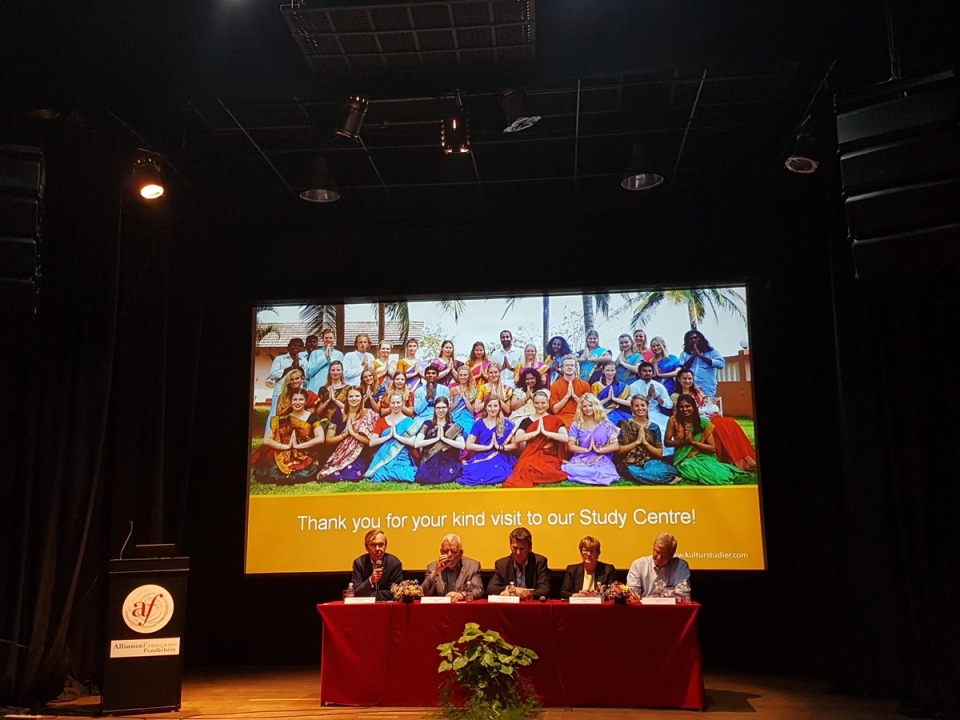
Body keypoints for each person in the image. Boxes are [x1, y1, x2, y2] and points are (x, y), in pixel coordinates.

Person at [665, 394, 753, 485]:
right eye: (681, 407)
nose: (684, 409)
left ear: (694, 407)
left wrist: (693, 442)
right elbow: (667, 442)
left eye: (688, 406)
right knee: (689, 469)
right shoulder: (673, 421)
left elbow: (712, 448)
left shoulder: (703, 422)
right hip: (683, 458)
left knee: (719, 473)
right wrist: (684, 442)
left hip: (703, 456)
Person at [253, 390, 326, 484]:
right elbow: (266, 440)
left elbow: (320, 438)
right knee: (271, 472)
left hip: (306, 452)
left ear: (305, 401)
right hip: (286, 453)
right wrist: (285, 447)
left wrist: (299, 446)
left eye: (301, 399)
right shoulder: (284, 419)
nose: (298, 402)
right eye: (295, 400)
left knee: (308, 472)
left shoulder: (313, 417)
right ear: (291, 401)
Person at [504, 390, 569, 488]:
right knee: (526, 469)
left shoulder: (555, 420)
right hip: (531, 454)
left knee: (550, 472)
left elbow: (565, 438)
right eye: (537, 403)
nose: (540, 406)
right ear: (533, 403)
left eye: (543, 403)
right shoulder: (526, 421)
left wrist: (546, 433)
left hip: (549, 455)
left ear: (548, 403)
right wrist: (535, 433)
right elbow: (518, 438)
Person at [318, 386, 379, 481]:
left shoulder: (369, 414)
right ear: (346, 398)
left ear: (362, 397)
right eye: (351, 396)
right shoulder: (339, 414)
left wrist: (354, 434)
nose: (354, 399)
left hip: (360, 454)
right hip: (340, 453)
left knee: (351, 473)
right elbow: (328, 440)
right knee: (332, 475)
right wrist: (344, 435)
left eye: (357, 396)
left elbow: (371, 442)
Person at [616, 396, 680, 484]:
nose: (640, 408)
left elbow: (659, 453)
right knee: (632, 471)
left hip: (649, 460)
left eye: (642, 405)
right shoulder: (624, 424)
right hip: (629, 462)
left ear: (648, 406)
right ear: (632, 408)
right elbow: (618, 451)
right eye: (636, 406)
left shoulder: (654, 427)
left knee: (663, 470)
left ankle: (647, 475)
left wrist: (645, 443)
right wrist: (637, 442)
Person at [561, 394, 621, 486]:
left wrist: (599, 450)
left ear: (595, 406)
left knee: (603, 471)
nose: (588, 408)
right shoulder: (576, 424)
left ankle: (591, 473)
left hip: (601, 457)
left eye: (590, 405)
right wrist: (586, 450)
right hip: (582, 457)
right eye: (584, 406)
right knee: (569, 468)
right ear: (581, 408)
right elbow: (570, 446)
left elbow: (616, 446)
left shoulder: (606, 424)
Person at [459, 396, 517, 486]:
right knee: (471, 472)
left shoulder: (507, 424)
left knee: (500, 472)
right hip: (482, 454)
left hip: (500, 455)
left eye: (495, 406)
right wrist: (487, 447)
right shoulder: (479, 423)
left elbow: (516, 445)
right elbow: (469, 445)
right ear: (485, 407)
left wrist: (500, 447)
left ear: (499, 407)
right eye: (490, 406)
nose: (493, 409)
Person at [365, 391, 419, 483]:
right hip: (384, 454)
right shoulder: (382, 421)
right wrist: (388, 437)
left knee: (406, 473)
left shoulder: (409, 421)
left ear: (402, 403)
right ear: (389, 404)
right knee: (379, 474)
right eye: (393, 403)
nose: (395, 405)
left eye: (398, 402)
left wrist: (396, 436)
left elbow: (413, 443)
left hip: (402, 454)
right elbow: (372, 442)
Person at [487, 527, 551, 599]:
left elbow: (545, 590)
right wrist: (511, 589)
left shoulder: (539, 562)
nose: (518, 552)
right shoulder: (502, 564)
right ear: (510, 546)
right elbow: (491, 589)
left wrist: (522, 592)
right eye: (515, 548)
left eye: (522, 549)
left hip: (531, 605)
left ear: (530, 547)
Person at [414, 396, 465, 484]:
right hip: (430, 458)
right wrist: (436, 439)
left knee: (447, 474)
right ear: (434, 409)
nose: (441, 410)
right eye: (438, 408)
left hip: (448, 459)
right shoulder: (427, 424)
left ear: (448, 408)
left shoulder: (454, 426)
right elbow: (417, 443)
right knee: (423, 476)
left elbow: (462, 445)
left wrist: (444, 439)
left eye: (443, 407)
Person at [699, 396, 757, 471]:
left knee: (729, 422)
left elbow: (713, 409)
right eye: (705, 401)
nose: (705, 402)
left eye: (707, 401)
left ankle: (738, 456)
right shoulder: (700, 405)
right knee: (717, 425)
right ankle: (726, 457)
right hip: (704, 420)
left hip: (711, 418)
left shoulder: (711, 406)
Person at [629, 362, 674, 454]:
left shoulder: (659, 386)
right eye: (644, 371)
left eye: (650, 371)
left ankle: (669, 455)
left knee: (666, 429)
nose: (647, 373)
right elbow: (634, 405)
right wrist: (649, 396)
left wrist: (657, 398)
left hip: (657, 414)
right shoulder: (633, 386)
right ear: (639, 373)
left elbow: (669, 404)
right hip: (640, 415)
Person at [626, 533, 691, 598]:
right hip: (643, 604)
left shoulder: (680, 566)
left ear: (672, 554)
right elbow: (632, 591)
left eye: (664, 555)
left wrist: (656, 599)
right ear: (653, 548)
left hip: (669, 605)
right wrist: (633, 595)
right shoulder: (638, 565)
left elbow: (682, 594)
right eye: (657, 552)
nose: (659, 557)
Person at [421, 533, 484, 601]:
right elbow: (423, 593)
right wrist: (435, 572)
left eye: (453, 551)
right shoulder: (432, 567)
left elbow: (479, 590)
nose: (449, 554)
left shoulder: (473, 566)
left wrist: (462, 595)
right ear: (441, 552)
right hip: (441, 607)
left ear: (461, 553)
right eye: (445, 551)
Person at [351, 529, 404, 602]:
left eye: (381, 545)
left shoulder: (394, 563)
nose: (377, 549)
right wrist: (370, 580)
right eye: (373, 545)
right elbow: (356, 592)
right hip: (365, 606)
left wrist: (371, 596)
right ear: (366, 547)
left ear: (386, 546)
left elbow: (395, 593)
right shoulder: (359, 563)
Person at [678, 330, 726, 397]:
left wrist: (701, 356)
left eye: (695, 338)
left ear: (701, 338)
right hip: (690, 391)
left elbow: (721, 364)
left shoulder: (712, 352)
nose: (694, 340)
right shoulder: (684, 354)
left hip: (707, 391)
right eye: (691, 339)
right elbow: (681, 369)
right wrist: (693, 356)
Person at [266, 337, 305, 418]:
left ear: (302, 348)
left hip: (297, 395)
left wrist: (299, 368)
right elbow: (272, 376)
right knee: (274, 415)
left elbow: (306, 377)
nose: (296, 348)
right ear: (288, 347)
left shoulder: (304, 361)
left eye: (299, 346)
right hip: (280, 393)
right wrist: (291, 368)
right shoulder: (279, 359)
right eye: (294, 345)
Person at [550, 354, 591, 429]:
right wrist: (567, 396)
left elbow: (589, 408)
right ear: (562, 367)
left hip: (581, 416)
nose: (569, 367)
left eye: (572, 365)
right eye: (567, 365)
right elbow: (555, 410)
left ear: (575, 368)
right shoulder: (555, 386)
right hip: (561, 418)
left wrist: (574, 396)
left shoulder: (585, 385)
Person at [592, 360, 632, 424]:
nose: (610, 373)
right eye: (607, 370)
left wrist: (614, 399)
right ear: (603, 371)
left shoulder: (623, 386)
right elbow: (594, 405)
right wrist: (607, 399)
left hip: (619, 412)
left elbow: (631, 403)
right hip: (602, 413)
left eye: (612, 370)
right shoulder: (595, 386)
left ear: (615, 371)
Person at [306, 329, 344, 393]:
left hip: (333, 387)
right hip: (316, 387)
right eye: (326, 338)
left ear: (334, 339)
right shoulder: (315, 353)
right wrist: (325, 359)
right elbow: (310, 372)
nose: (328, 340)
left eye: (331, 338)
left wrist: (331, 358)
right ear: (322, 339)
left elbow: (341, 372)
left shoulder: (339, 354)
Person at [449, 365, 479, 432]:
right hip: (454, 417)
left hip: (468, 418)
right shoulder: (452, 390)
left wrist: (465, 399)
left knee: (468, 432)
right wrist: (459, 399)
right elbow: (450, 409)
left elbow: (473, 411)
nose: (462, 377)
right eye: (461, 375)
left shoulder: (474, 391)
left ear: (469, 376)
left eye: (465, 375)